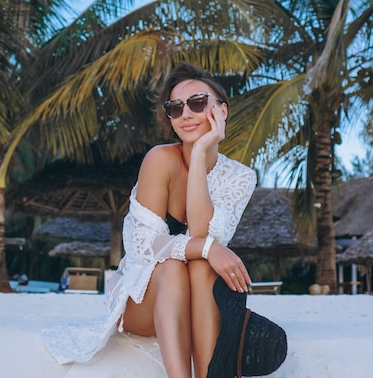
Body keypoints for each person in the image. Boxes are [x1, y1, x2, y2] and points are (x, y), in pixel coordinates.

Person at [41, 62, 256, 377]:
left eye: (197, 103)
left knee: (200, 263)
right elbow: (145, 246)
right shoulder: (160, 160)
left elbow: (202, 230)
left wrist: (198, 157)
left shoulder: (239, 176)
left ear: (221, 111)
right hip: (143, 298)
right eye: (175, 108)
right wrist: (208, 248)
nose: (186, 114)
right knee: (175, 264)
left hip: (197, 302)